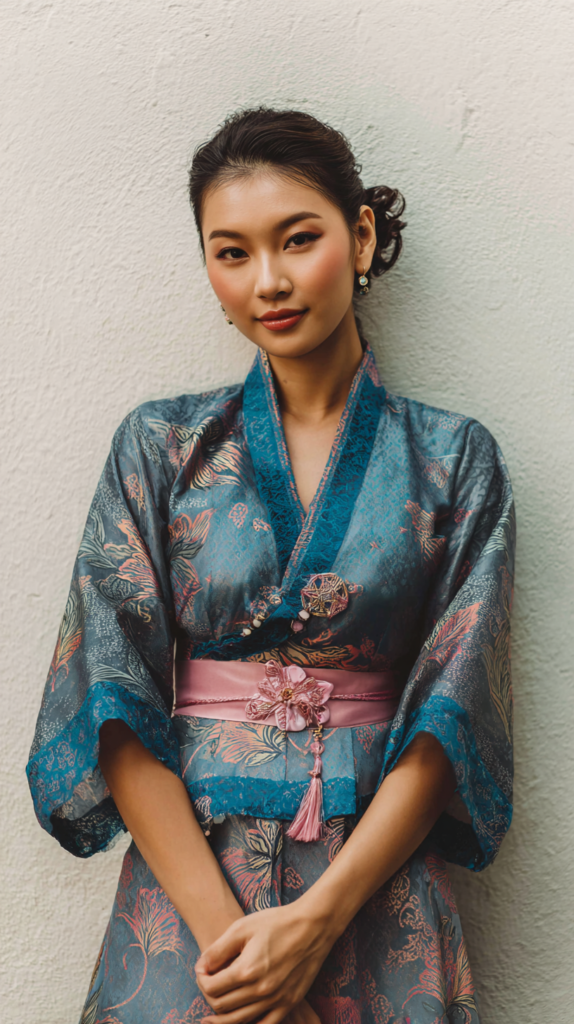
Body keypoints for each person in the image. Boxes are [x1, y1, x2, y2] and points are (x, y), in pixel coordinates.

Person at [27, 108, 515, 1024]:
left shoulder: (455, 461)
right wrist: (238, 961)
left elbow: (454, 712)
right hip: (187, 908)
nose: (271, 280)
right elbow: (112, 698)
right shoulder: (159, 449)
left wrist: (314, 926)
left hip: (375, 901)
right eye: (233, 252)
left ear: (360, 235)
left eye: (299, 239)